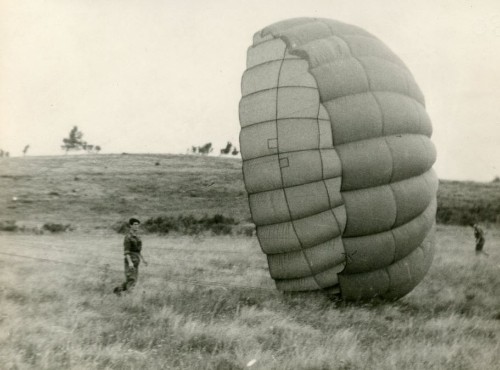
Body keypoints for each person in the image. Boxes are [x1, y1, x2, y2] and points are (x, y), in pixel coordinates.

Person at [114, 218, 148, 295]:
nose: (137, 226)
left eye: (138, 224)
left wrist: (143, 260)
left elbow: (138, 251)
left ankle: (118, 290)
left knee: (133, 279)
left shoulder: (138, 237)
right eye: (135, 224)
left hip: (136, 260)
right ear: (131, 226)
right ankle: (129, 298)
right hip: (130, 259)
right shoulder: (128, 237)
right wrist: (130, 263)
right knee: (131, 279)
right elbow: (126, 252)